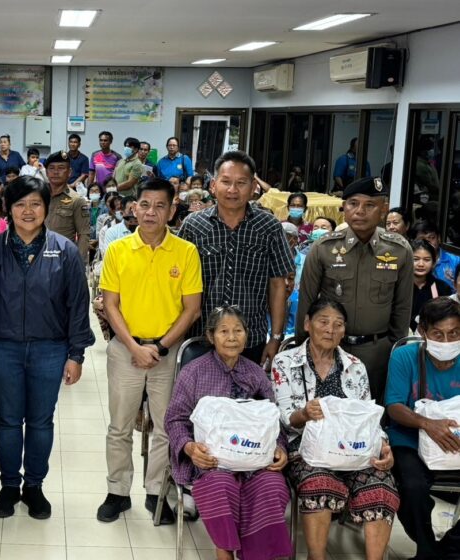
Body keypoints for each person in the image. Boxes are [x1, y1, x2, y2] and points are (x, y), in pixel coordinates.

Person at [0, 175, 94, 519]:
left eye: (36, 203)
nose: (28, 210)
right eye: (20, 204)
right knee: (7, 421)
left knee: (40, 422)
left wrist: (76, 354)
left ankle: (34, 486)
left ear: (46, 208)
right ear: (8, 209)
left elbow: (78, 306)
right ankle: (9, 486)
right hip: (2, 349)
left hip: (50, 349)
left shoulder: (64, 252)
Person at [96, 178, 202, 524]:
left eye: (160, 206)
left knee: (165, 426)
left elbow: (192, 309)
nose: (151, 212)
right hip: (125, 349)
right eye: (144, 204)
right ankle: (117, 492)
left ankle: (157, 492)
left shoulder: (186, 252)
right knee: (120, 425)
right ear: (134, 208)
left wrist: (158, 346)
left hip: (166, 353)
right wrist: (133, 346)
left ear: (172, 210)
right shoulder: (118, 250)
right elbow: (110, 305)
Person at [271, 299, 398, 560]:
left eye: (338, 324)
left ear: (344, 331)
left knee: (382, 485)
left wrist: (384, 446)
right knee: (319, 484)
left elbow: (368, 416)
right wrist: (304, 414)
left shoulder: (355, 366)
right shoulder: (284, 362)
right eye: (324, 322)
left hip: (354, 450)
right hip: (305, 449)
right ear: (307, 324)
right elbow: (282, 418)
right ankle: (316, 557)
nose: (330, 329)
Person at [165, 306, 292, 560]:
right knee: (221, 488)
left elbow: (274, 419)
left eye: (238, 331)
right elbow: (175, 419)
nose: (232, 337)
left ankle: (256, 555)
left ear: (247, 336)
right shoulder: (194, 372)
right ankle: (224, 554)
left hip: (255, 463)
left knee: (273, 487)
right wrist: (190, 448)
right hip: (211, 462)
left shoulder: (256, 374)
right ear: (211, 337)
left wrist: (279, 448)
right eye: (224, 331)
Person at [298, 176, 413, 402]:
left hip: (377, 354)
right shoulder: (323, 248)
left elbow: (402, 307)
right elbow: (307, 303)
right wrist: (303, 349)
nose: (360, 211)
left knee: (371, 419)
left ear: (383, 209)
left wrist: (395, 350)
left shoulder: (399, 250)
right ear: (344, 208)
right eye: (353, 204)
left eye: (369, 205)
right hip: (329, 350)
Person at [180, 151, 294, 365]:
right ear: (213, 186)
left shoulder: (269, 226)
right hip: (201, 340)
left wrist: (276, 338)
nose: (233, 190)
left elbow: (278, 285)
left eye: (241, 183)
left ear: (253, 188)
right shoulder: (193, 225)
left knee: (249, 398)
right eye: (226, 182)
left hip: (251, 341)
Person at [386, 297, 460, 558]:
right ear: (423, 333)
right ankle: (428, 551)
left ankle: (451, 548)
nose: (447, 341)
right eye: (438, 334)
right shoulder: (405, 356)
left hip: (457, 441)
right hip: (409, 439)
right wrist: (428, 425)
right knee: (412, 488)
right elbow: (394, 405)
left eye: (454, 334)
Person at [43, 151, 90, 263]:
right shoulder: (38, 196)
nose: (56, 172)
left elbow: (84, 235)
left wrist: (78, 263)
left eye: (61, 168)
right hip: (38, 258)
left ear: (69, 172)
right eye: (51, 168)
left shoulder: (77, 200)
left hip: (63, 259)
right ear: (46, 172)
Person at [411, 240, 455, 331]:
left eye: (427, 260)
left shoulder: (443, 288)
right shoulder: (398, 286)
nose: (421, 264)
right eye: (415, 259)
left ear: (434, 263)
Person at [411, 220, 460, 291]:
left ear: (439, 238)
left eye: (431, 237)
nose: (427, 242)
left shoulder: (456, 261)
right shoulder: (408, 260)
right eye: (422, 239)